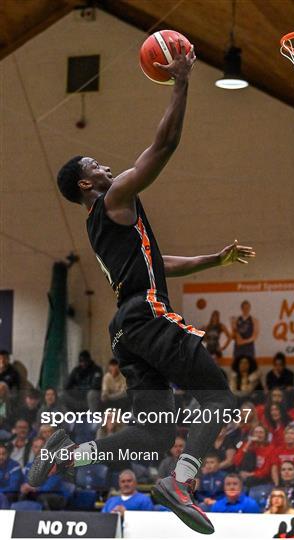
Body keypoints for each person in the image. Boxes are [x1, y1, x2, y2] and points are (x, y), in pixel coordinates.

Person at [29, 41, 255, 536]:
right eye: (95, 165)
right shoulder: (114, 198)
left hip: (126, 327)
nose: (104, 167)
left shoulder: (102, 225)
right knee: (217, 398)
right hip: (146, 316)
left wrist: (213, 259)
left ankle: (71, 453)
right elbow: (164, 147)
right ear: (87, 185)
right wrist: (181, 81)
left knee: (150, 434)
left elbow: (159, 262)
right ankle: (183, 481)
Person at [21, 437, 65, 510]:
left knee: (42, 497)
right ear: (32, 449)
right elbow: (26, 483)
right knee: (21, 495)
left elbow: (49, 487)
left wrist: (33, 488)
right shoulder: (28, 466)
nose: (39, 450)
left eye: (41, 447)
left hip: (54, 496)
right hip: (34, 494)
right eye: (36, 447)